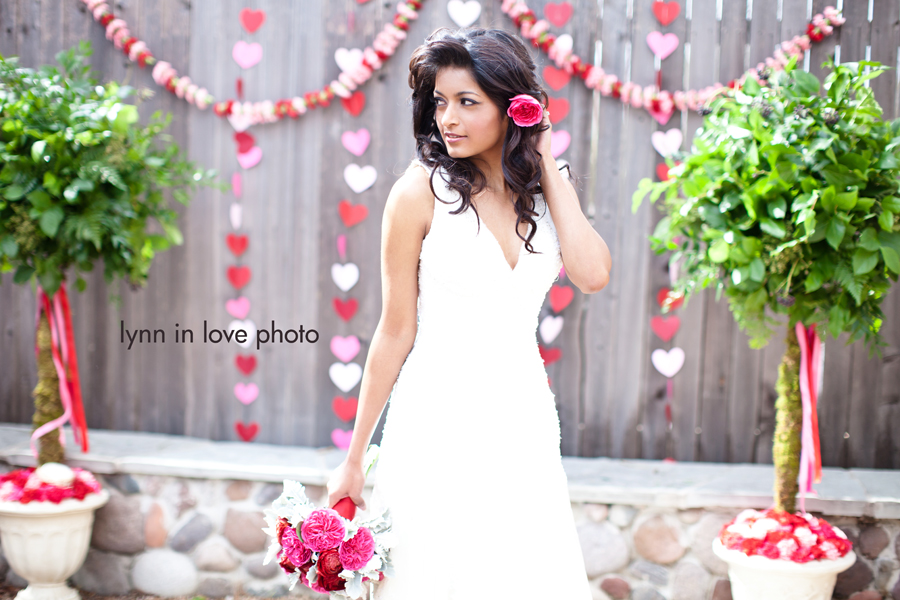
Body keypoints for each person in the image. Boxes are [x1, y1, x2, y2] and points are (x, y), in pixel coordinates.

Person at [326, 26, 611, 599]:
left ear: (513, 109)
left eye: (467, 102)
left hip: (521, 414)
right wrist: (354, 459)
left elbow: (593, 273)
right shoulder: (418, 193)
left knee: (521, 571)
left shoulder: (544, 192)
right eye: (439, 101)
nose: (447, 119)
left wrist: (546, 156)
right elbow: (394, 329)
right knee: (431, 571)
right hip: (435, 414)